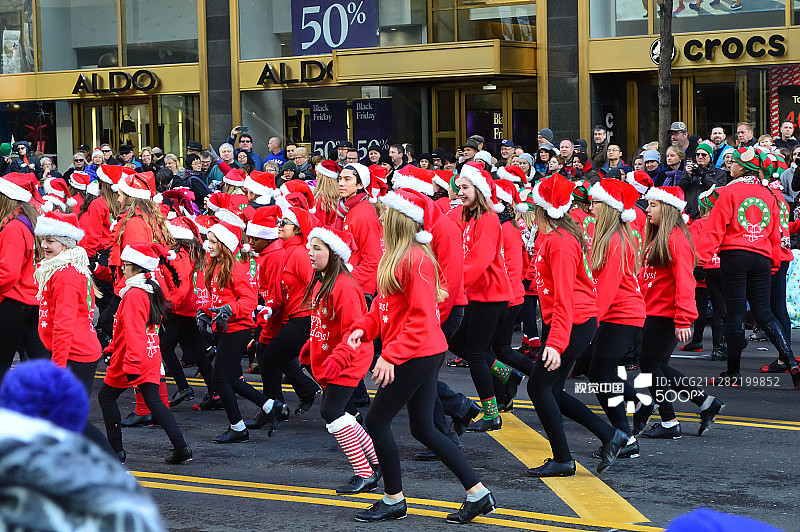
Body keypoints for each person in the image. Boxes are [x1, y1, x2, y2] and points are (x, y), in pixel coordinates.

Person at [348, 189, 496, 524]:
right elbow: (382, 308)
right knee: (424, 429)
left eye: (386, 212)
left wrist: (390, 356)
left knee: (376, 420)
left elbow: (420, 317)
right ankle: (478, 493)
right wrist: (364, 327)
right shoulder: (398, 255)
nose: (381, 217)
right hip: (418, 351)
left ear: (400, 218)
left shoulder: (415, 259)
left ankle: (393, 499)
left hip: (417, 353)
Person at [523, 173, 627, 477]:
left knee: (538, 387)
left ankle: (564, 459)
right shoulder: (557, 238)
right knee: (549, 389)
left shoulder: (560, 243)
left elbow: (566, 297)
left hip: (573, 322)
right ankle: (610, 435)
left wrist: (555, 342)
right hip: (572, 322)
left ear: (542, 210)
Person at [697, 147, 800, 387]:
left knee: (736, 314)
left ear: (743, 168)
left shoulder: (729, 191)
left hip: (735, 255)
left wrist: (702, 258)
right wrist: (774, 261)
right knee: (763, 312)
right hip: (762, 257)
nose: (729, 165)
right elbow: (777, 231)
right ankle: (791, 363)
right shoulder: (769, 194)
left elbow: (715, 228)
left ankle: (732, 374)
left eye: (732, 163)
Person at [635, 186, 724, 440]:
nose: (648, 209)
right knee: (656, 366)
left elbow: (686, 281)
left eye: (653, 205)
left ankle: (669, 421)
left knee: (650, 365)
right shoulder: (657, 237)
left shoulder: (677, 239)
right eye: (648, 204)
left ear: (668, 208)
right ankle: (705, 403)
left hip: (666, 314)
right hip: (652, 311)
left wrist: (684, 319)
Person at [98, 242, 192, 464]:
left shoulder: (133, 295)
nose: (122, 268)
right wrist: (112, 348)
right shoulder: (151, 290)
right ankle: (181, 447)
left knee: (106, 397)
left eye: (126, 264)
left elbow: (132, 333)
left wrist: (129, 365)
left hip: (131, 357)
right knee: (155, 402)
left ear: (137, 267)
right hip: (149, 355)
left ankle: (116, 452)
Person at [301, 227, 379, 494]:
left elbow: (353, 330)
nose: (310, 253)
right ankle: (376, 463)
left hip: (349, 359)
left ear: (333, 254)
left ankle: (364, 472)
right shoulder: (324, 282)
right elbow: (323, 324)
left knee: (331, 412)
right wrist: (309, 349)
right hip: (335, 358)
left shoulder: (344, 286)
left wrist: (339, 358)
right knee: (339, 412)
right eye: (310, 247)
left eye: (317, 249)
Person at [201, 221, 290, 443]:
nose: (208, 245)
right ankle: (271, 405)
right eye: (208, 241)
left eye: (213, 242)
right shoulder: (216, 265)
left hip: (237, 330)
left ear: (225, 245)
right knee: (231, 378)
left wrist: (230, 309)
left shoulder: (234, 269)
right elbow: (218, 300)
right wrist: (204, 313)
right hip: (224, 328)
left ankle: (238, 427)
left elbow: (249, 300)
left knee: (219, 378)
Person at [449, 163, 514, 432]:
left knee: (475, 354)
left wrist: (449, 284)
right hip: (476, 294)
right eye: (459, 187)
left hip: (491, 295)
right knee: (460, 345)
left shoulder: (488, 220)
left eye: (465, 187)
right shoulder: (467, 216)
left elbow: (478, 262)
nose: (460, 191)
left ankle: (491, 415)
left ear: (480, 190)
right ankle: (507, 374)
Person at [586, 178, 645, 458]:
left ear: (608, 207)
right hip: (619, 312)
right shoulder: (611, 236)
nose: (591, 206)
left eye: (596, 202)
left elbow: (607, 289)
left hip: (621, 313)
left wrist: (589, 323)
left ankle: (625, 436)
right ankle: (635, 409)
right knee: (598, 372)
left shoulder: (614, 240)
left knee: (600, 374)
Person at [247, 203, 321, 423]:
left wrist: (314, 310)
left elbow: (315, 283)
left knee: (271, 357)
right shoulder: (287, 250)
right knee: (272, 355)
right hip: (292, 314)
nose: (278, 226)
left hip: (303, 316)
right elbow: (280, 289)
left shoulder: (297, 253)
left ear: (297, 229)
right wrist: (270, 307)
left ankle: (274, 409)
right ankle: (300, 394)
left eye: (284, 223)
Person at [33, 211, 101, 394]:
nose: (43, 245)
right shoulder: (67, 267)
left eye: (50, 241)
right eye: (43, 239)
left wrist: (58, 367)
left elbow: (64, 324)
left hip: (74, 354)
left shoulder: (65, 275)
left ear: (66, 243)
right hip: (74, 351)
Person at [161, 216, 216, 407]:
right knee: (199, 352)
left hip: (182, 308)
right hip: (195, 307)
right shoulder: (198, 252)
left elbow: (181, 287)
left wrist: (168, 306)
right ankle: (215, 392)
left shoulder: (182, 254)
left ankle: (184, 387)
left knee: (166, 348)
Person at [0, 173, 48, 385]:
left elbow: (7, 274)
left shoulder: (14, 228)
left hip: (13, 304)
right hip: (33, 302)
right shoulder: (32, 222)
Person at [338, 164, 383, 297]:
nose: (341, 183)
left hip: (361, 289)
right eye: (340, 179)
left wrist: (348, 281)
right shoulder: (348, 208)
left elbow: (373, 259)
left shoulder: (364, 213)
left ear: (360, 185)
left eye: (347, 179)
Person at [681, 141, 727, 219]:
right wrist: (687, 175)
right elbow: (680, 189)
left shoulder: (720, 173)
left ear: (710, 156)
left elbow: (717, 189)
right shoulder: (690, 172)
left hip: (710, 215)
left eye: (704, 155)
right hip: (690, 215)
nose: (700, 157)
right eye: (697, 154)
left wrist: (702, 174)